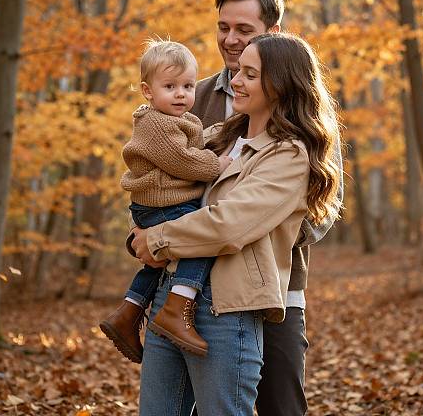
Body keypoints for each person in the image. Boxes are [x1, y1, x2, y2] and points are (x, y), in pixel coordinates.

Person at [131, 31, 342, 416]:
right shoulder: (218, 137)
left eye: (249, 74)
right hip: (169, 297)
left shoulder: (289, 156)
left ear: (279, 85)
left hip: (226, 311)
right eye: (238, 71)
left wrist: (157, 238)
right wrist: (140, 229)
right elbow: (163, 173)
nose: (236, 81)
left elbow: (228, 226)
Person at [190, 0, 343, 416]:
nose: (231, 39)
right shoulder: (192, 96)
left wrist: (254, 226)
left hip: (276, 286)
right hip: (193, 284)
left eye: (244, 29)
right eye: (223, 27)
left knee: (282, 404)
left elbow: (321, 209)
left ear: (273, 32)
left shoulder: (301, 104)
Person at [99, 40, 233, 363]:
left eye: (188, 86)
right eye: (170, 86)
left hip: (162, 201)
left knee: (155, 263)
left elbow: (191, 145)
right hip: (164, 203)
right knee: (199, 242)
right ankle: (178, 306)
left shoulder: (178, 120)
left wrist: (216, 139)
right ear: (147, 90)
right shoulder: (155, 123)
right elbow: (182, 160)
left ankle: (129, 312)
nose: (181, 94)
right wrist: (216, 165)